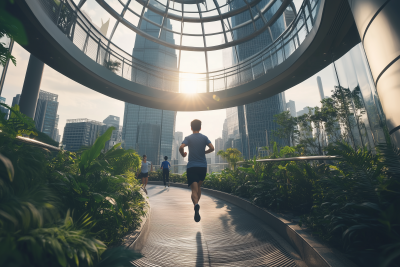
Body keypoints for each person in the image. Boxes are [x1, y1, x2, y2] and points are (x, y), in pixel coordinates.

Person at [179, 119, 214, 222]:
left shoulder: (188, 138)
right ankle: (197, 204)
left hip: (192, 167)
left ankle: (196, 205)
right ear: (200, 128)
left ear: (191, 128)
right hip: (202, 167)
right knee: (198, 187)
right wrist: (204, 152)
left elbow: (181, 147)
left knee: (194, 189)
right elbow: (212, 148)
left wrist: (183, 154)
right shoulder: (204, 138)